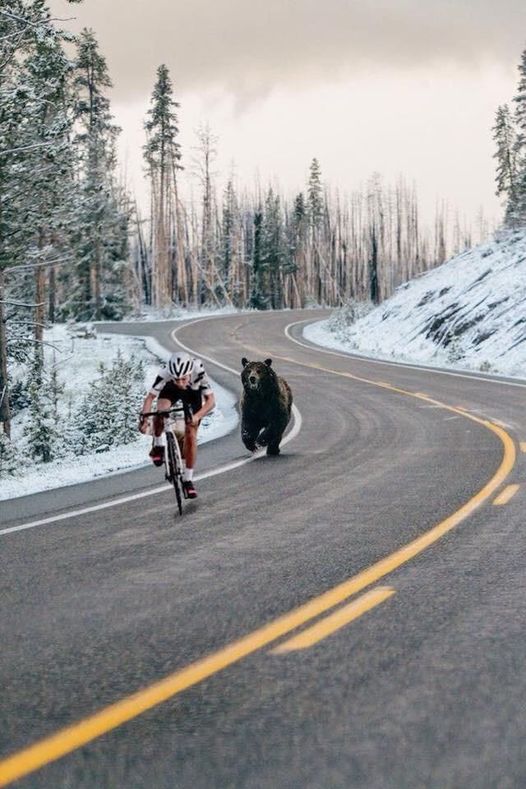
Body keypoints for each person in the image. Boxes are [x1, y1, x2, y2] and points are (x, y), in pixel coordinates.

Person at [139, 351, 215, 499]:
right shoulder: (166, 373)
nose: (180, 382)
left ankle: (188, 480)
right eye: (177, 379)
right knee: (161, 411)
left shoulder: (198, 370)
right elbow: (150, 398)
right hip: (170, 390)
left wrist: (197, 416)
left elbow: (211, 401)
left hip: (193, 392)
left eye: (183, 379)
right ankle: (159, 444)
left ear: (189, 373)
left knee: (191, 434)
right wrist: (145, 419)